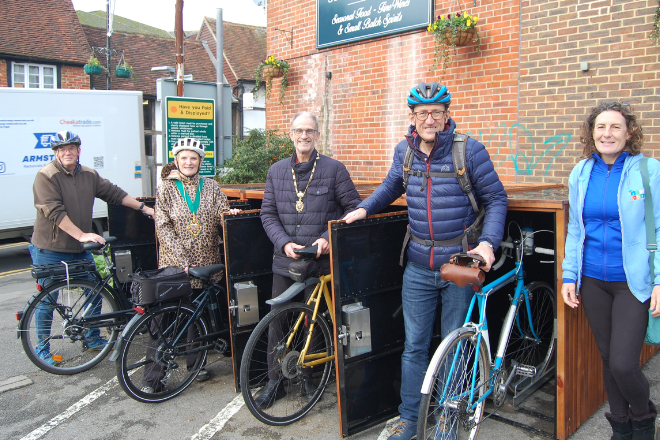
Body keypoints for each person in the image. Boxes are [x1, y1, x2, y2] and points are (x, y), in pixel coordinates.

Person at [344, 81, 508, 440]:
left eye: (436, 112)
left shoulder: (470, 150)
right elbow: (390, 187)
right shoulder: (405, 151)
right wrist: (362, 209)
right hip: (418, 265)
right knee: (415, 345)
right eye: (423, 113)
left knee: (455, 343)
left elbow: (496, 198)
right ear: (413, 118)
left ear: (447, 115)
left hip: (458, 266)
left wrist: (488, 244)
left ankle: (451, 416)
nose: (429, 118)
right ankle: (410, 419)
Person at [562, 102, 660, 440]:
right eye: (601, 127)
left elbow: (658, 227)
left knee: (623, 362)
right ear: (592, 133)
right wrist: (569, 275)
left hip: (632, 282)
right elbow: (575, 228)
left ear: (629, 132)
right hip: (591, 281)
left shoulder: (648, 170)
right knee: (607, 358)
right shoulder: (581, 173)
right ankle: (620, 427)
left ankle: (644, 421)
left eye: (615, 127)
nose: (607, 133)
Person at [256, 111, 362, 408]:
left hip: (318, 262)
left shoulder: (334, 169)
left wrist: (328, 238)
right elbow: (268, 214)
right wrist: (283, 241)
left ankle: (310, 378)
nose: (304, 136)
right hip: (285, 260)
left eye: (310, 131)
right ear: (291, 134)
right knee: (276, 321)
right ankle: (274, 381)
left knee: (314, 322)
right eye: (299, 131)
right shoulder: (276, 171)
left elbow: (353, 208)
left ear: (317, 136)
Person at [30, 130, 155, 366]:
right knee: (47, 300)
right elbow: (54, 211)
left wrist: (144, 209)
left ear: (79, 150)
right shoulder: (45, 176)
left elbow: (114, 193)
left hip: (79, 248)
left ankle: (93, 337)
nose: (67, 152)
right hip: (50, 249)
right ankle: (42, 349)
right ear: (56, 153)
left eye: (71, 148)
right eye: (61, 149)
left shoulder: (88, 174)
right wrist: (82, 234)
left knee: (95, 291)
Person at [149, 137, 239, 391]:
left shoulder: (210, 186)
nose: (189, 162)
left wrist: (229, 217)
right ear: (176, 160)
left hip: (207, 262)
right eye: (184, 158)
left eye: (194, 158)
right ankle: (154, 378)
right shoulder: (166, 188)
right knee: (164, 319)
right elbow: (163, 227)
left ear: (200, 161)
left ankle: (195, 365)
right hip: (176, 265)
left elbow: (222, 214)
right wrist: (182, 261)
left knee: (196, 317)